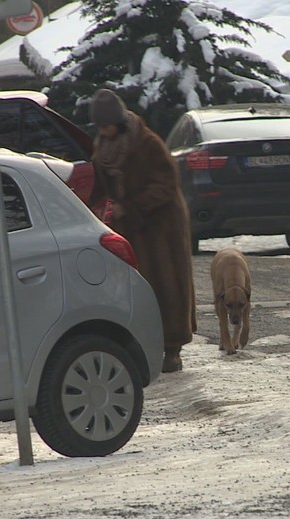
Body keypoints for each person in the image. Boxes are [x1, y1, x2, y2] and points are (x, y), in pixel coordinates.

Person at [87, 88, 196, 373]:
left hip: (162, 225)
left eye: (108, 124)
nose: (105, 130)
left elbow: (167, 186)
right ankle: (145, 342)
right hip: (131, 227)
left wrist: (131, 206)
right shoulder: (102, 148)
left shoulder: (147, 143)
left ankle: (173, 347)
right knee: (138, 286)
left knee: (167, 284)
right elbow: (100, 185)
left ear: (119, 120)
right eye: (100, 125)